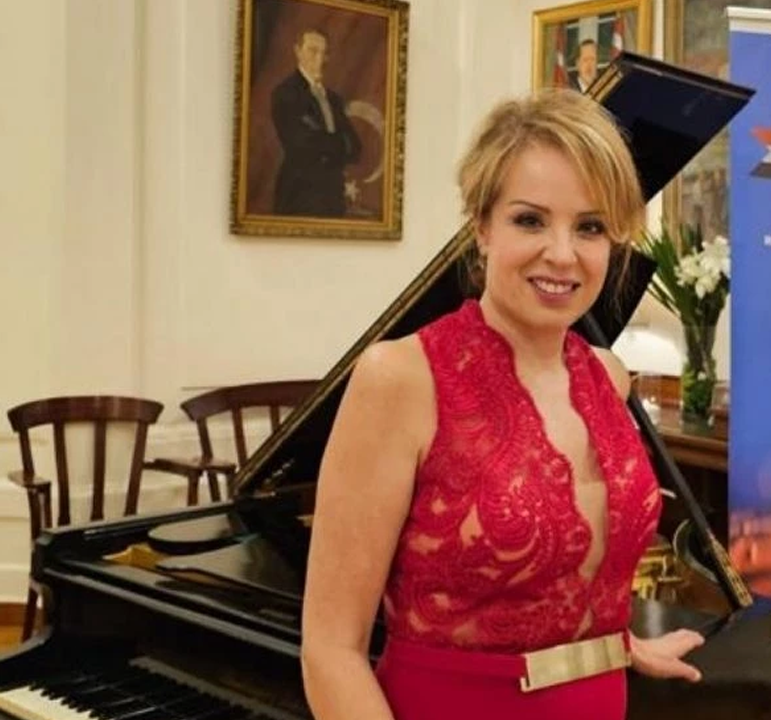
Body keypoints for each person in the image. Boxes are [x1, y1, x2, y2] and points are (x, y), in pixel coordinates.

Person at [299, 89, 705, 720]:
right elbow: (330, 650)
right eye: (530, 220)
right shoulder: (400, 379)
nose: (562, 253)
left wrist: (615, 644)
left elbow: (569, 578)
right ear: (482, 226)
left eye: (590, 227)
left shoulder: (608, 377)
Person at [271, 28, 362, 217]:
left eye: (324, 53)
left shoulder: (334, 99)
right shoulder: (285, 93)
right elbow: (300, 145)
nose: (319, 58)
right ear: (298, 51)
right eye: (313, 51)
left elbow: (355, 148)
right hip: (299, 193)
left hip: (333, 195)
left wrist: (324, 141)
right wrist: (338, 143)